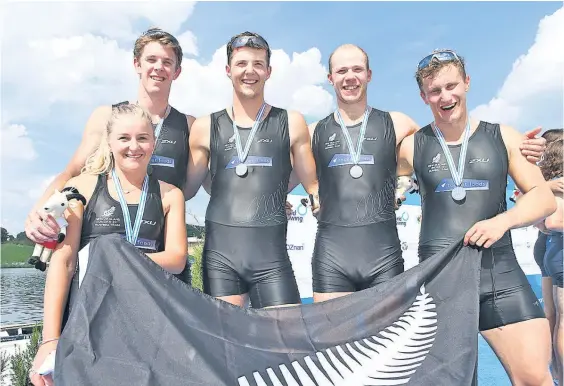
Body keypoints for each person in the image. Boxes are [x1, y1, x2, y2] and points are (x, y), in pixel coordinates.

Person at [287, 44, 547, 304]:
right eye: (341, 70)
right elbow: (278, 181)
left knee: (390, 345)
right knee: (332, 343)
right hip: (332, 258)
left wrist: (519, 147)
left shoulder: (400, 124)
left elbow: (449, 149)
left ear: (369, 74)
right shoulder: (312, 133)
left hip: (383, 258)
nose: (350, 77)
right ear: (330, 78)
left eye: (357, 69)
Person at [397, 49, 557, 385]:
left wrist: (503, 221)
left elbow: (543, 198)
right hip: (441, 285)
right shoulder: (412, 146)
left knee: (534, 378)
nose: (445, 96)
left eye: (451, 86)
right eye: (435, 91)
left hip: (500, 277)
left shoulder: (505, 137)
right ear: (424, 97)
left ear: (467, 83)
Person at [29, 103, 188, 386]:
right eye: (124, 138)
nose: (133, 146)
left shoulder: (170, 195)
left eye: (142, 138)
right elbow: (63, 262)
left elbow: (176, 258)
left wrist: (117, 257)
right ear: (110, 142)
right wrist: (50, 339)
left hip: (146, 324)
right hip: (89, 322)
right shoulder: (83, 188)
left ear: (154, 143)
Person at [24, 27, 195, 282]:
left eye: (167, 62)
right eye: (151, 60)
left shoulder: (190, 126)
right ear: (137, 64)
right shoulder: (107, 117)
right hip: (104, 258)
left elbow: (193, 188)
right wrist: (38, 210)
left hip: (160, 261)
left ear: (177, 71)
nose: (159, 67)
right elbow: (72, 173)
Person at [186, 31, 319, 309]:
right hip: (220, 259)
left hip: (271, 258)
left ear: (269, 71)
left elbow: (314, 187)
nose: (250, 71)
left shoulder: (291, 122)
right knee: (225, 346)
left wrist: (273, 193)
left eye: (258, 64)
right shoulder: (204, 126)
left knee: (286, 344)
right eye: (242, 63)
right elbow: (186, 190)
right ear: (228, 70)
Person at [536, 137, 564, 385]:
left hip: (551, 249)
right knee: (559, 318)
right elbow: (552, 224)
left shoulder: (547, 184)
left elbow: (543, 226)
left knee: (553, 316)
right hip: (558, 250)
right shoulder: (559, 185)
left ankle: (555, 372)